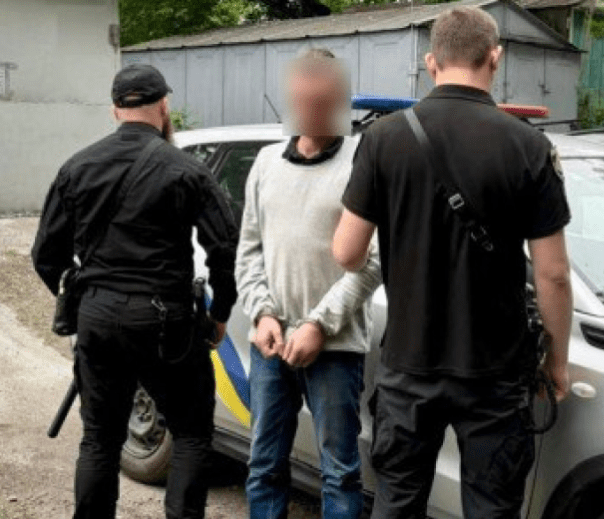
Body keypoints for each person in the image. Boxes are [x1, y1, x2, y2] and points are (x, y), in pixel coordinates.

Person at [333, 7, 573, 519]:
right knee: (492, 508)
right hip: (496, 374)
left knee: (397, 503)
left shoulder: (383, 138)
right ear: (495, 58)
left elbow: (347, 254)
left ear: (431, 62)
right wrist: (556, 362)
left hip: (409, 367)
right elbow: (553, 274)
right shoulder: (530, 146)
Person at [31, 64, 238, 519]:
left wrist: (82, 299)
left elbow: (46, 254)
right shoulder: (187, 170)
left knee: (100, 439)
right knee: (190, 433)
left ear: (114, 110)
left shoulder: (77, 167)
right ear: (164, 106)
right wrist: (220, 313)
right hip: (167, 323)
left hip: (99, 317)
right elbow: (224, 249)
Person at [236, 48, 381, 519]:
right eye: (303, 99)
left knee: (339, 473)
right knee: (264, 467)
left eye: (322, 100)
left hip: (335, 348)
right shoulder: (265, 162)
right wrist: (262, 314)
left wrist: (318, 324)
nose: (312, 110)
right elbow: (249, 249)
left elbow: (373, 261)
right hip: (271, 345)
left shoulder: (364, 161)